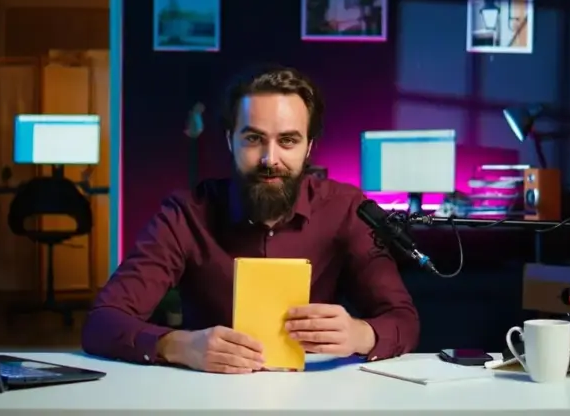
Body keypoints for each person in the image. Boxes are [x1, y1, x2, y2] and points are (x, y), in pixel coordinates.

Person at [82, 64, 420, 373]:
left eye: (288, 140)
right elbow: (102, 323)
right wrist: (177, 345)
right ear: (231, 140)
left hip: (315, 393)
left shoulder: (347, 209)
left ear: (308, 147)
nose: (269, 159)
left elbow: (404, 320)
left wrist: (360, 334)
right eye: (254, 139)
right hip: (207, 392)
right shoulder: (185, 213)